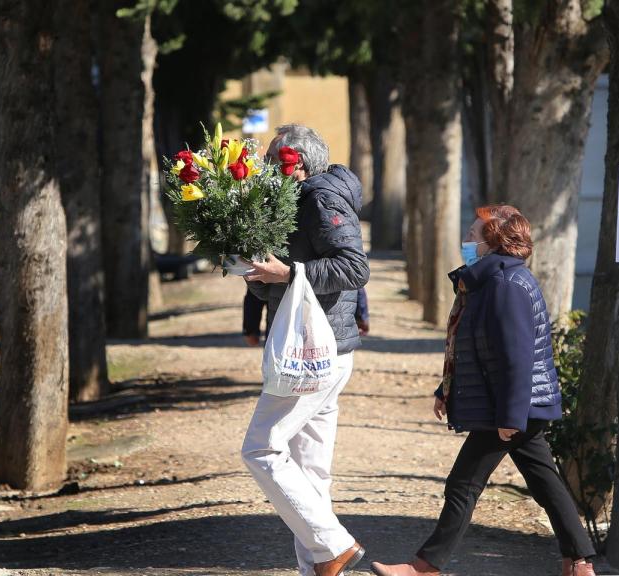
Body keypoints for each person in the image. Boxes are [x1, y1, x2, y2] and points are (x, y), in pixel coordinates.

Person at [370, 205, 598, 576]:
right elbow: (478, 348)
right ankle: (580, 562)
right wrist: (446, 388)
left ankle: (422, 568)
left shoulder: (506, 286)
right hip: (515, 405)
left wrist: (510, 417)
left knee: (463, 484)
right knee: (546, 484)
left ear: (495, 244)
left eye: (474, 235)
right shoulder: (490, 282)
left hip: (511, 408)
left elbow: (515, 359)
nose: (467, 240)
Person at [241, 124, 370, 576]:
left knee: (260, 448)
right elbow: (277, 288)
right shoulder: (295, 199)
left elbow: (354, 267)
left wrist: (288, 273)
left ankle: (333, 545)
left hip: (316, 351)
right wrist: (255, 272)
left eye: (274, 162)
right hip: (319, 349)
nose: (266, 171)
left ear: (296, 162)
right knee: (310, 470)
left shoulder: (320, 197)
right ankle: (317, 567)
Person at [244, 287, 369, 347]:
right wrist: (361, 317)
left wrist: (251, 330)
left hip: (282, 325)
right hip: (326, 324)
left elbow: (254, 293)